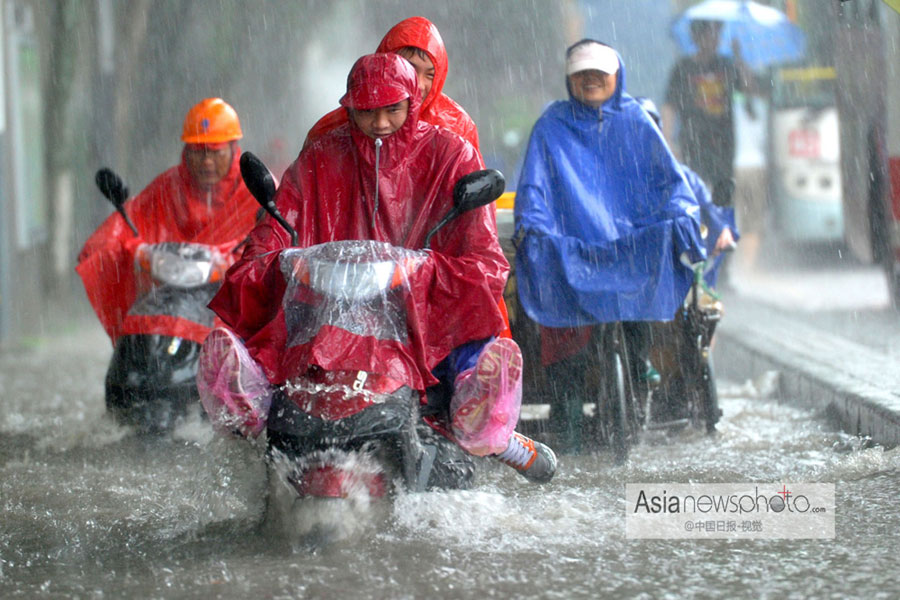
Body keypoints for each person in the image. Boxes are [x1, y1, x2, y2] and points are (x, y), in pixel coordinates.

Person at [208, 54, 556, 483]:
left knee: (468, 319)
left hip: (419, 314)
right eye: (367, 111)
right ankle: (252, 392)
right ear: (349, 108)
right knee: (271, 322)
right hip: (328, 310)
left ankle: (475, 399)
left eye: (392, 109)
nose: (380, 123)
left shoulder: (451, 154)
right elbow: (278, 227)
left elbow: (481, 258)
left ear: (414, 102)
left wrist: (422, 272)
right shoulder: (320, 157)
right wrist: (277, 259)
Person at [514, 40, 705, 452]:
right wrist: (536, 228)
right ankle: (566, 413)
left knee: (637, 307)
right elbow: (535, 191)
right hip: (572, 247)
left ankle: (638, 368)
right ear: (569, 79)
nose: (591, 79)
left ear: (617, 75)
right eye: (581, 73)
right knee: (563, 328)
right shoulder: (551, 125)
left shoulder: (636, 120)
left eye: (599, 72)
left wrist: (680, 217)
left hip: (632, 244)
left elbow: (671, 184)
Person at [76, 97, 260, 345]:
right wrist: (130, 250)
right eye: (198, 152)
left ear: (233, 148)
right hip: (163, 315)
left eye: (215, 152)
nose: (207, 161)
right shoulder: (165, 189)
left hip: (229, 319)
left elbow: (275, 243)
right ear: (186, 151)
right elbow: (127, 227)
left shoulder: (254, 191)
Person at [303, 16, 479, 152]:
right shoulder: (330, 131)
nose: (418, 84)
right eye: (409, 68)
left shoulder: (457, 127)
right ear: (382, 64)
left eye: (430, 75)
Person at [637, 96, 738, 291]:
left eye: (649, 129)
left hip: (672, 268)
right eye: (635, 129)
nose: (642, 137)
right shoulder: (609, 178)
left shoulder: (681, 176)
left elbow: (707, 207)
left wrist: (722, 231)